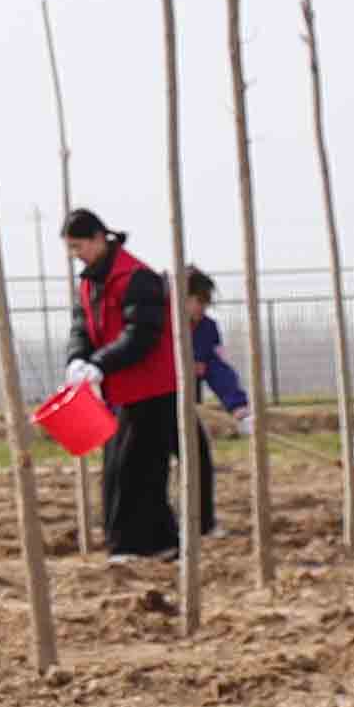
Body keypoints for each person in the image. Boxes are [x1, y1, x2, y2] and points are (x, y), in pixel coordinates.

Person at [62, 210, 181, 557]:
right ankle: (156, 542)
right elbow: (81, 326)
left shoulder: (137, 277)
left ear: (99, 238)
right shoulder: (90, 283)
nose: (75, 254)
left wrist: (100, 363)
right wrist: (77, 358)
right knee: (120, 468)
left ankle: (137, 544)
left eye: (78, 246)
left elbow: (141, 333)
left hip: (152, 389)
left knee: (139, 468)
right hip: (120, 391)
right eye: (70, 248)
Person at [178, 261, 247, 538]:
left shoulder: (207, 329)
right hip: (152, 402)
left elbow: (218, 368)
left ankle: (202, 523)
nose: (201, 308)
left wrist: (238, 406)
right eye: (197, 301)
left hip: (189, 405)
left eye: (204, 303)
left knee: (199, 460)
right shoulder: (158, 324)